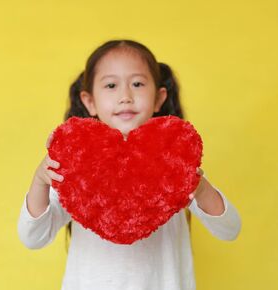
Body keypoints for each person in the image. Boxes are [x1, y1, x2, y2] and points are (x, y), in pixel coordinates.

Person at [17, 39, 241, 290]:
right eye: (111, 85)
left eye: (137, 84)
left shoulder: (174, 163)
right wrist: (40, 181)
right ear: (89, 101)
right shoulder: (76, 167)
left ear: (159, 98)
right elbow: (33, 237)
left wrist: (199, 188)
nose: (125, 96)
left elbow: (230, 229)